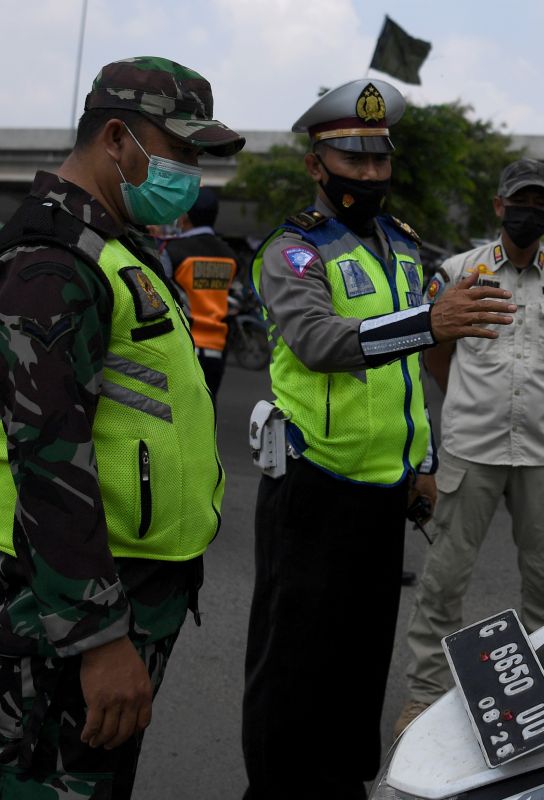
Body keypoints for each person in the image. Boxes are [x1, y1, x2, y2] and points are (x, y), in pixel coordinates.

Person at [240, 79, 518, 800]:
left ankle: (339, 783)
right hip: (313, 486)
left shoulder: (402, 247)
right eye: (351, 161)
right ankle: (277, 789)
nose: (368, 176)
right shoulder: (293, 250)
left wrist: (423, 463)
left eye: (377, 162)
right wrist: (431, 322)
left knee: (361, 657)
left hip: (384, 491)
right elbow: (319, 341)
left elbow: (406, 377)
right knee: (291, 660)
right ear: (315, 165)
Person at [0, 56, 243, 799]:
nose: (194, 173)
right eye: (184, 152)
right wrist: (100, 639)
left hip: (128, 592)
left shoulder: (113, 243)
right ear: (116, 137)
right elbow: (47, 456)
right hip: (69, 618)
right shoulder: (51, 260)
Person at [395, 158, 544, 733]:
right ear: (498, 206)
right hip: (471, 450)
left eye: (541, 204)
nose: (529, 212)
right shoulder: (457, 273)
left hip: (543, 454)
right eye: (520, 201)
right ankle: (425, 697)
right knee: (443, 581)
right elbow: (435, 353)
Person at [160, 186, 240, 397]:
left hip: (184, 347)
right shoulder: (230, 255)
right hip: (217, 349)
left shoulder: (172, 252)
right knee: (209, 409)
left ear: (185, 216)